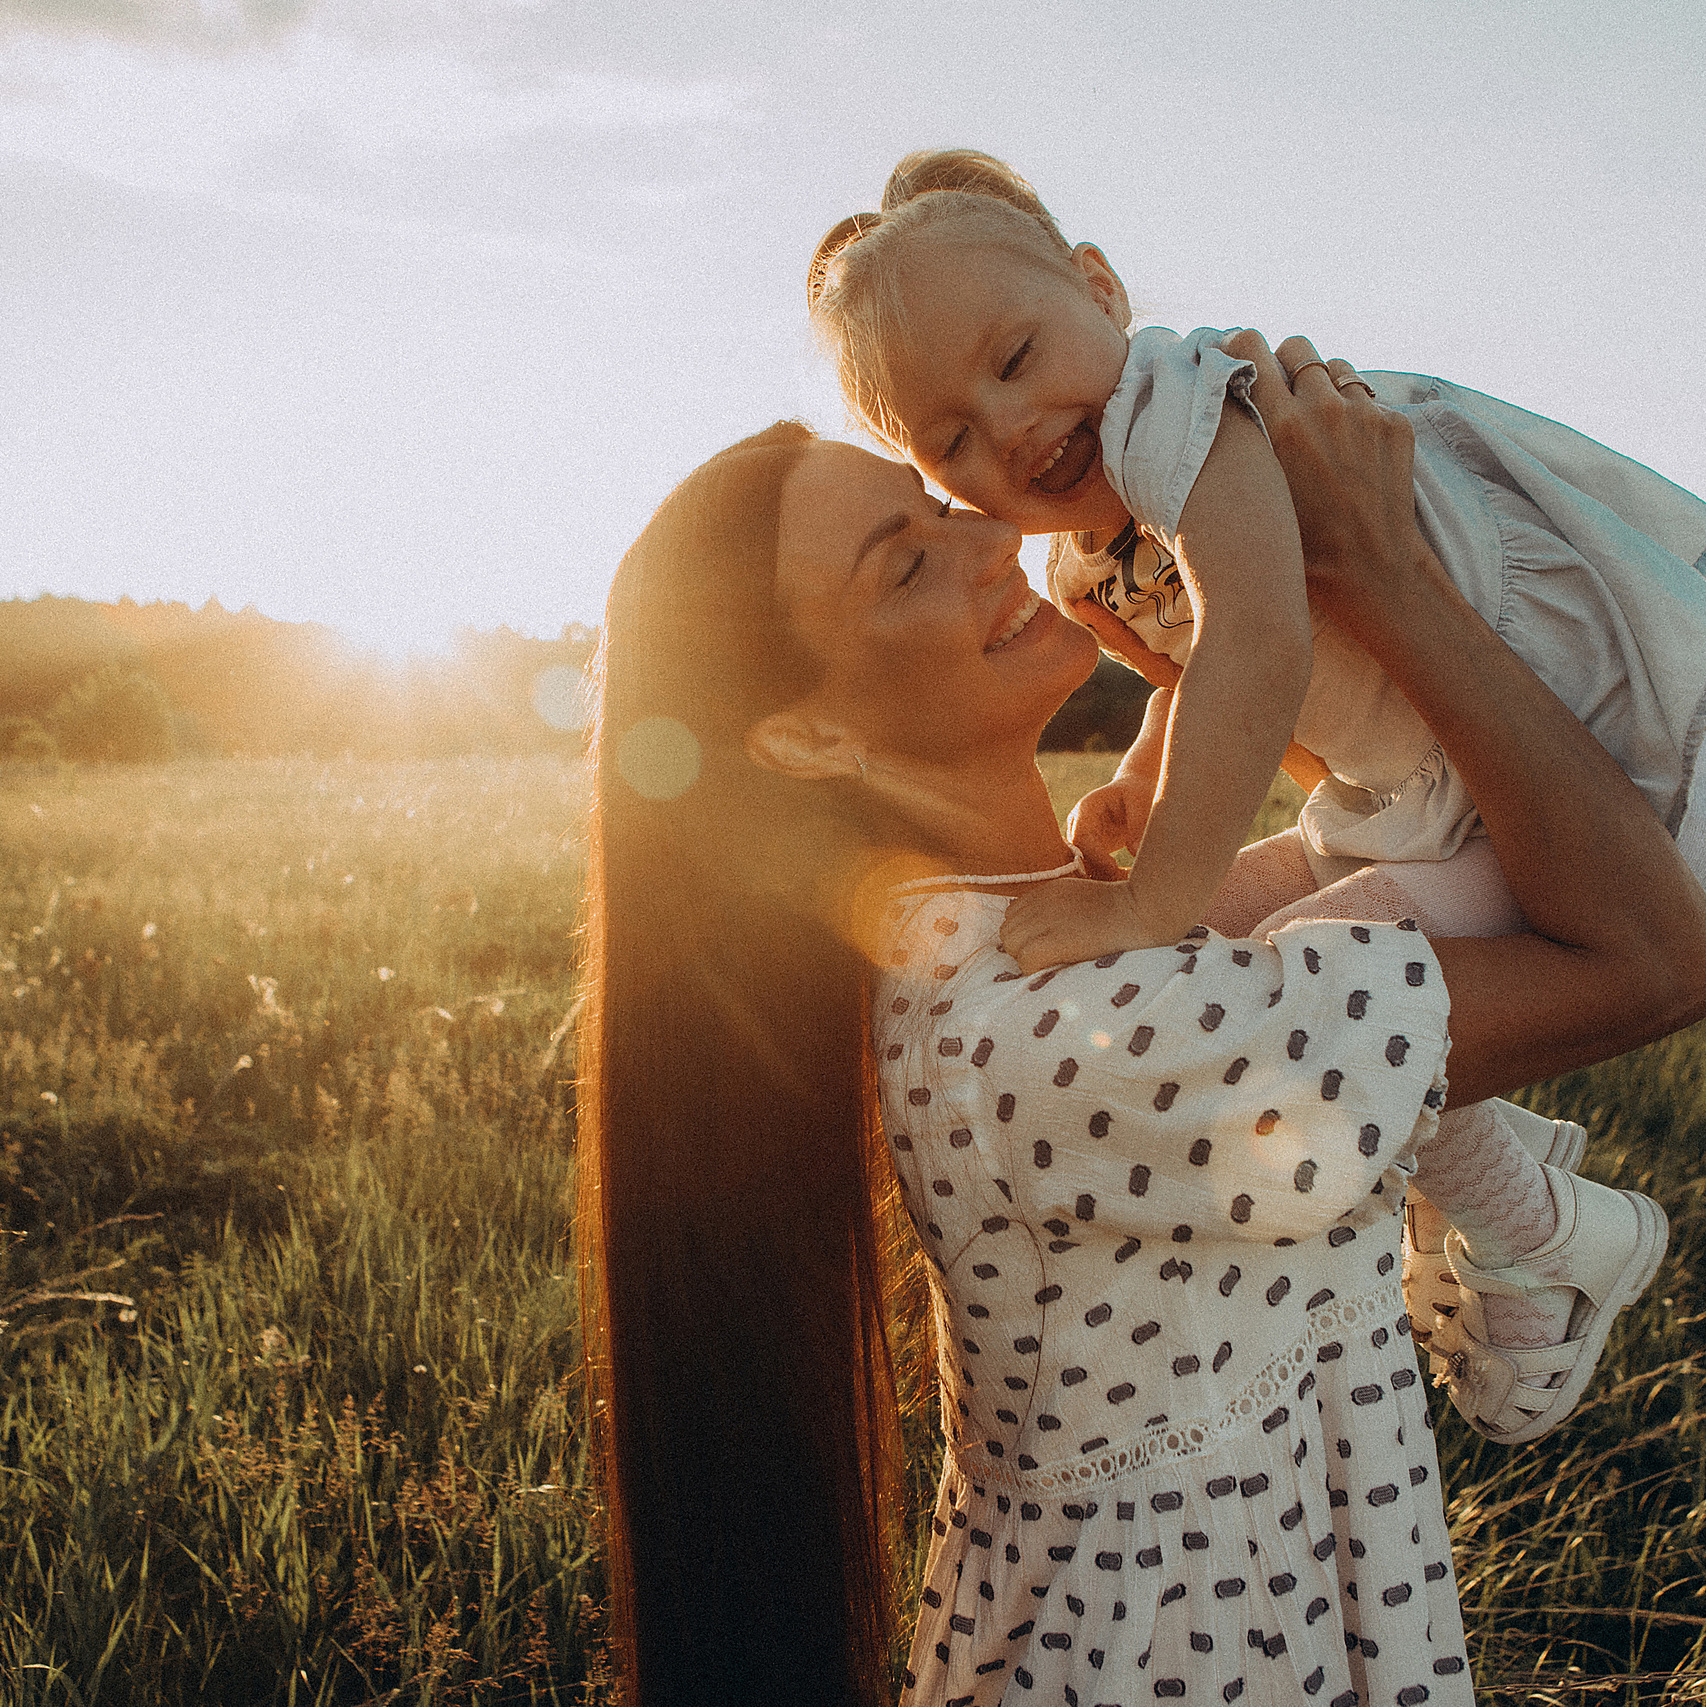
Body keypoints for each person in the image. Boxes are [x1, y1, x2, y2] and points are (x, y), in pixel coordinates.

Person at [576, 355, 1706, 1707]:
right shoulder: (1069, 1034)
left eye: (941, 505)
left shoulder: (1061, 923)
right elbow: (1650, 954)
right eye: (904, 563)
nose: (993, 535)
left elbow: (1376, 808)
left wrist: (1241, 618)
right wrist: (1381, 573)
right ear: (808, 741)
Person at [806, 149, 1706, 1441]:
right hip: (1419, 780)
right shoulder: (1082, 558)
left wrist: (1154, 883)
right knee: (1225, 956)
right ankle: (1496, 1181)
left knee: (1317, 963)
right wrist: (1136, 778)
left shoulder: (1184, 412)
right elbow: (1197, 666)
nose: (1006, 427)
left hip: (1594, 729)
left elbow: (1256, 635)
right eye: (949, 437)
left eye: (1013, 358)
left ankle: (1549, 1236)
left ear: (1100, 292)